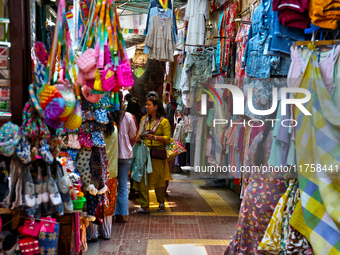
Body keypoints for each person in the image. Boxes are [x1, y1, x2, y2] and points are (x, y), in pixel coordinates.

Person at [224, 118, 288, 254]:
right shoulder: (287, 142)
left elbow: (246, 173)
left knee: (248, 243)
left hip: (252, 198)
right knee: (269, 245)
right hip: (276, 201)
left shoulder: (259, 138)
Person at [134, 96, 172, 213]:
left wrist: (154, 137)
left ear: (156, 107)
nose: (146, 107)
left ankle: (161, 202)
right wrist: (138, 138)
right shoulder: (144, 120)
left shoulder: (163, 122)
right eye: (146, 104)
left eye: (148, 105)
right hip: (143, 153)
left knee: (158, 180)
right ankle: (144, 205)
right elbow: (139, 134)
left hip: (156, 155)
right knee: (142, 179)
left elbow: (168, 138)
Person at [113, 93, 137, 223]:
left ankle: (110, 214)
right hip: (125, 155)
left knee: (111, 184)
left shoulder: (110, 115)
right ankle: (122, 214)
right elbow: (133, 134)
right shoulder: (127, 116)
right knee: (123, 185)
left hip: (111, 155)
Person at [125, 97, 145, 199]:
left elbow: (131, 133)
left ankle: (132, 190)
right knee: (137, 167)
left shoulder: (129, 117)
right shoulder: (141, 116)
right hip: (138, 144)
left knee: (132, 168)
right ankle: (136, 189)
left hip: (131, 144)